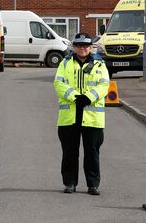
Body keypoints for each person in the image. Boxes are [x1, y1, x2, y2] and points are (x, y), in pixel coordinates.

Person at [53, 33, 110, 195]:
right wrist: (74, 97)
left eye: (86, 45)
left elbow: (104, 85)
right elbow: (58, 83)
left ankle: (93, 185)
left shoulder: (100, 64)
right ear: (74, 47)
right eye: (79, 45)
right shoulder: (65, 63)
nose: (82, 48)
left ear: (91, 47)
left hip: (92, 117)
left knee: (92, 153)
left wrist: (88, 98)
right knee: (69, 152)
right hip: (69, 116)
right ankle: (70, 183)